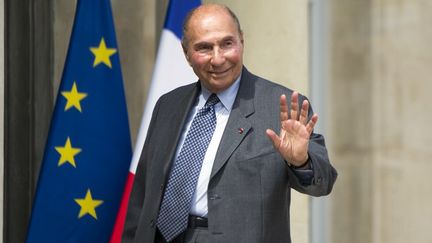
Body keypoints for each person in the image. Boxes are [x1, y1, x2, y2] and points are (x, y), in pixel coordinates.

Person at [123, 3, 337, 243]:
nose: (218, 58)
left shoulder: (281, 108)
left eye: (227, 44)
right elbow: (142, 194)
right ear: (186, 53)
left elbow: (323, 183)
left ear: (242, 42)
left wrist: (301, 162)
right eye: (204, 47)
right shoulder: (168, 105)